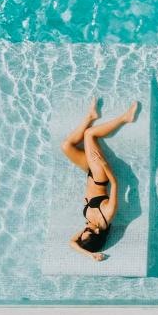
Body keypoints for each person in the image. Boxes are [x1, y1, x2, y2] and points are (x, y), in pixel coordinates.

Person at [61, 98, 139, 261]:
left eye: (82, 233)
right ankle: (126, 118)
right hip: (100, 176)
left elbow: (71, 243)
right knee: (90, 135)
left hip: (89, 172)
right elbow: (116, 183)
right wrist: (103, 164)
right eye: (86, 231)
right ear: (96, 232)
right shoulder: (107, 215)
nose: (84, 229)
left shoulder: (90, 228)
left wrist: (90, 255)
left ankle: (91, 116)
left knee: (66, 146)